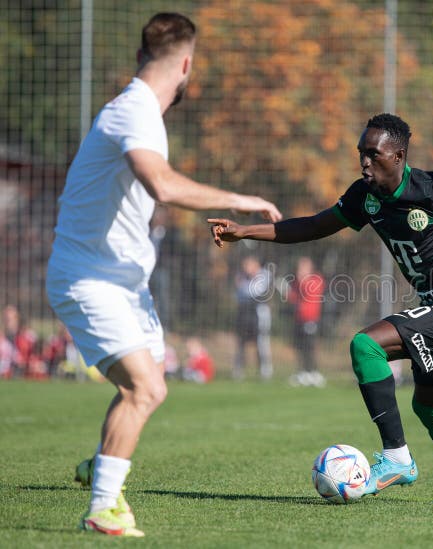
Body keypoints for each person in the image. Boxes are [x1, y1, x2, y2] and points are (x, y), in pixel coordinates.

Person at [209, 113, 433, 505]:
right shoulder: (364, 197)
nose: (365, 162)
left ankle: (396, 459)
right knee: (432, 409)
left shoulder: (431, 189)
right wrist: (245, 231)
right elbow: (314, 226)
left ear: (399, 155)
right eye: (361, 154)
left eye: (374, 153)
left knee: (365, 346)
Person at [45, 13, 281, 537]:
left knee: (149, 383)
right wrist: (242, 200)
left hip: (124, 283)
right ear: (187, 64)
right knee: (145, 388)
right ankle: (103, 506)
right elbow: (163, 186)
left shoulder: (136, 109)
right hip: (90, 279)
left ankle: (99, 466)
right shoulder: (135, 112)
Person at [233, 255, 273, 381]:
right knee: (241, 343)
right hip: (244, 313)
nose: (246, 268)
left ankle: (265, 371)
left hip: (259, 313)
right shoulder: (242, 277)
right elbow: (239, 295)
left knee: (261, 342)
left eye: (249, 265)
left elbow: (255, 292)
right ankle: (238, 371)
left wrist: (244, 285)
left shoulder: (264, 275)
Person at [287, 256, 326, 388]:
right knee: (300, 347)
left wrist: (302, 280)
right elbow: (292, 298)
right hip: (299, 319)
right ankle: (303, 372)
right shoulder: (297, 282)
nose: (300, 270)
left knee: (309, 347)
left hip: (310, 319)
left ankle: (314, 373)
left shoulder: (315, 279)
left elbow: (308, 292)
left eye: (303, 267)